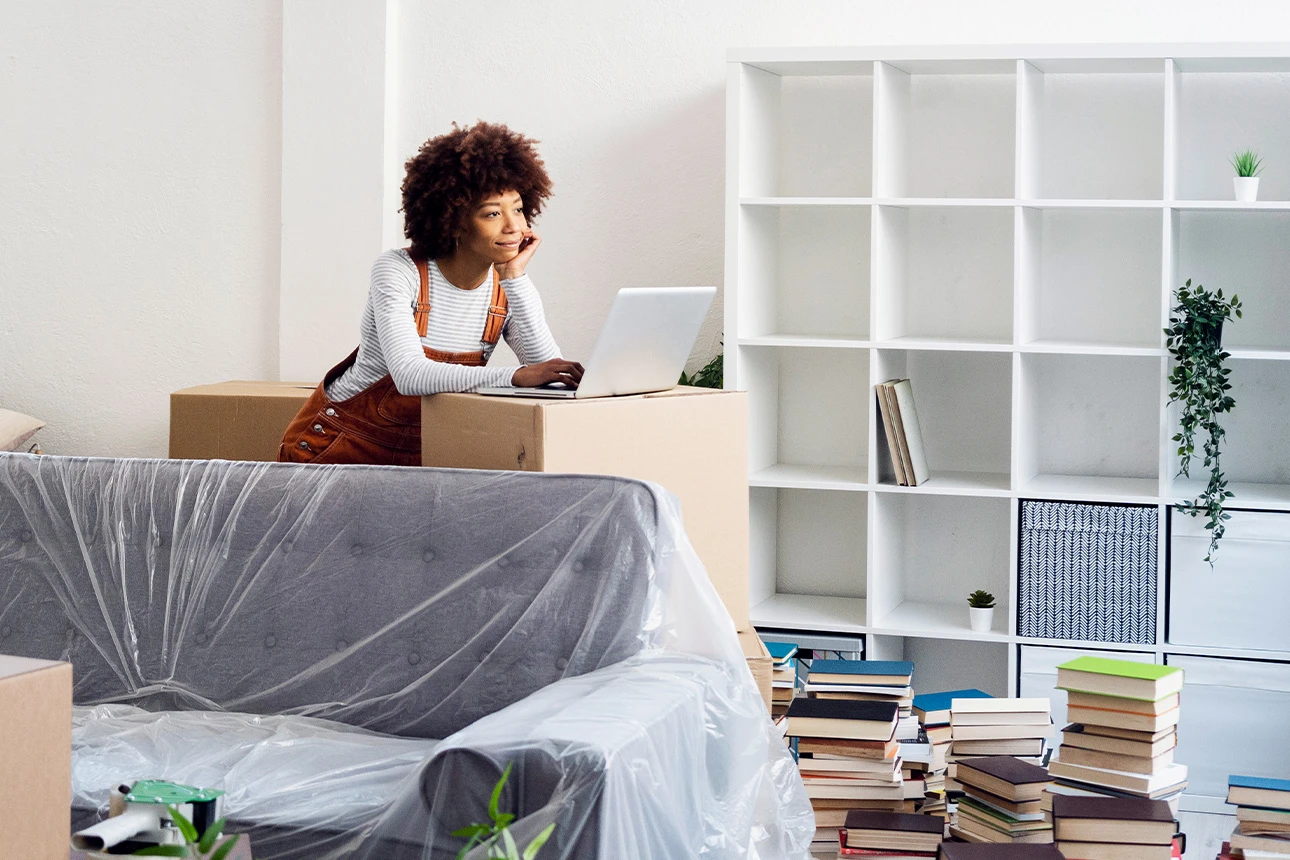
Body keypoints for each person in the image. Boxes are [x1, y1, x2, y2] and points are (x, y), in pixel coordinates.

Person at [279, 121, 584, 466]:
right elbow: (410, 375)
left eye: (517, 209)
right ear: (454, 221)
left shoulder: (505, 290)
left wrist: (514, 276)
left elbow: (552, 379)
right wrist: (512, 377)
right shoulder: (398, 270)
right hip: (339, 447)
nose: (514, 226)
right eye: (493, 214)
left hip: (423, 455)